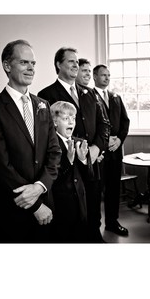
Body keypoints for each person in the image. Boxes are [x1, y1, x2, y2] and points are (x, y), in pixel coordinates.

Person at [0, 39, 62, 242]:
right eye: (24, 62)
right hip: (11, 208)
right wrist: (35, 206)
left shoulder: (43, 105)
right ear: (7, 66)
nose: (31, 68)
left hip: (46, 201)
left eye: (33, 63)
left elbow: (54, 152)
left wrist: (41, 186)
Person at [38, 47, 110, 242]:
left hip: (92, 161)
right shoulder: (46, 94)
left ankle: (95, 237)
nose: (76, 65)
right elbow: (47, 133)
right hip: (66, 165)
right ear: (58, 65)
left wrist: (97, 148)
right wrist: (75, 151)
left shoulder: (90, 93)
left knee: (94, 203)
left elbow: (104, 124)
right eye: (71, 61)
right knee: (71, 210)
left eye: (77, 62)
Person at [93, 64, 130, 236]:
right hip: (99, 153)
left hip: (116, 152)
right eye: (103, 75)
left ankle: (112, 222)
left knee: (113, 189)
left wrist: (120, 140)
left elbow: (125, 122)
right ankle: (94, 228)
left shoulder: (116, 97)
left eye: (108, 75)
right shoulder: (89, 96)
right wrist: (105, 141)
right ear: (94, 77)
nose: (107, 78)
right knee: (97, 190)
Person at [49, 101, 93, 242]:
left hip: (80, 205)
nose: (71, 122)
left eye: (73, 118)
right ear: (55, 122)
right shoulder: (49, 144)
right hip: (59, 206)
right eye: (65, 118)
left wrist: (83, 160)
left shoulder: (80, 142)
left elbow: (90, 177)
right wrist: (68, 161)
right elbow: (51, 178)